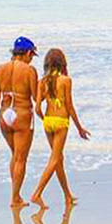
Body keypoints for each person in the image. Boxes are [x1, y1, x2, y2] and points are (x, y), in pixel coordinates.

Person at [31, 48, 90, 208]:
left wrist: (45, 120)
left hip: (48, 122)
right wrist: (80, 128)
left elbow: (37, 108)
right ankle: (37, 193)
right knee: (55, 159)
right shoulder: (66, 80)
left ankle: (67, 195)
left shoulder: (42, 82)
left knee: (58, 160)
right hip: (61, 121)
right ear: (62, 62)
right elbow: (70, 107)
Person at [0, 36, 40, 207]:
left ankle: (15, 194)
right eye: (31, 55)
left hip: (4, 115)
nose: (31, 59)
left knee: (15, 156)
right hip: (22, 113)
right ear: (26, 52)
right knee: (20, 159)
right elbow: (35, 96)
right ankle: (15, 198)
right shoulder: (29, 70)